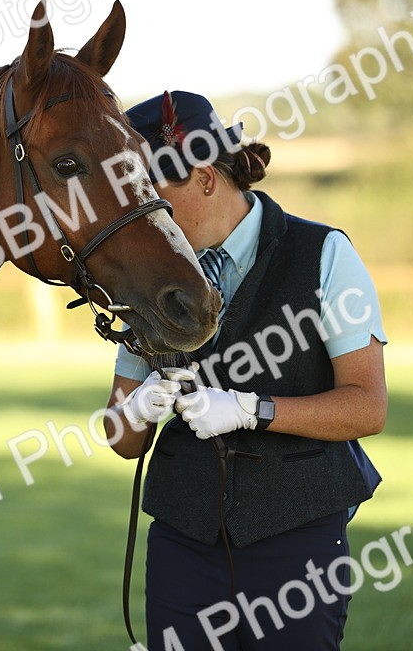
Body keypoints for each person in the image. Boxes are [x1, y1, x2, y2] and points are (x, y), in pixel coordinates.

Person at [103, 90, 388, 650]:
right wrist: (135, 411)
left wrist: (252, 411)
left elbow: (367, 406)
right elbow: (122, 439)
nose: (140, 215)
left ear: (206, 179)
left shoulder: (324, 254)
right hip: (182, 544)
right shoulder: (145, 277)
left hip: (298, 542)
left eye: (152, 194)